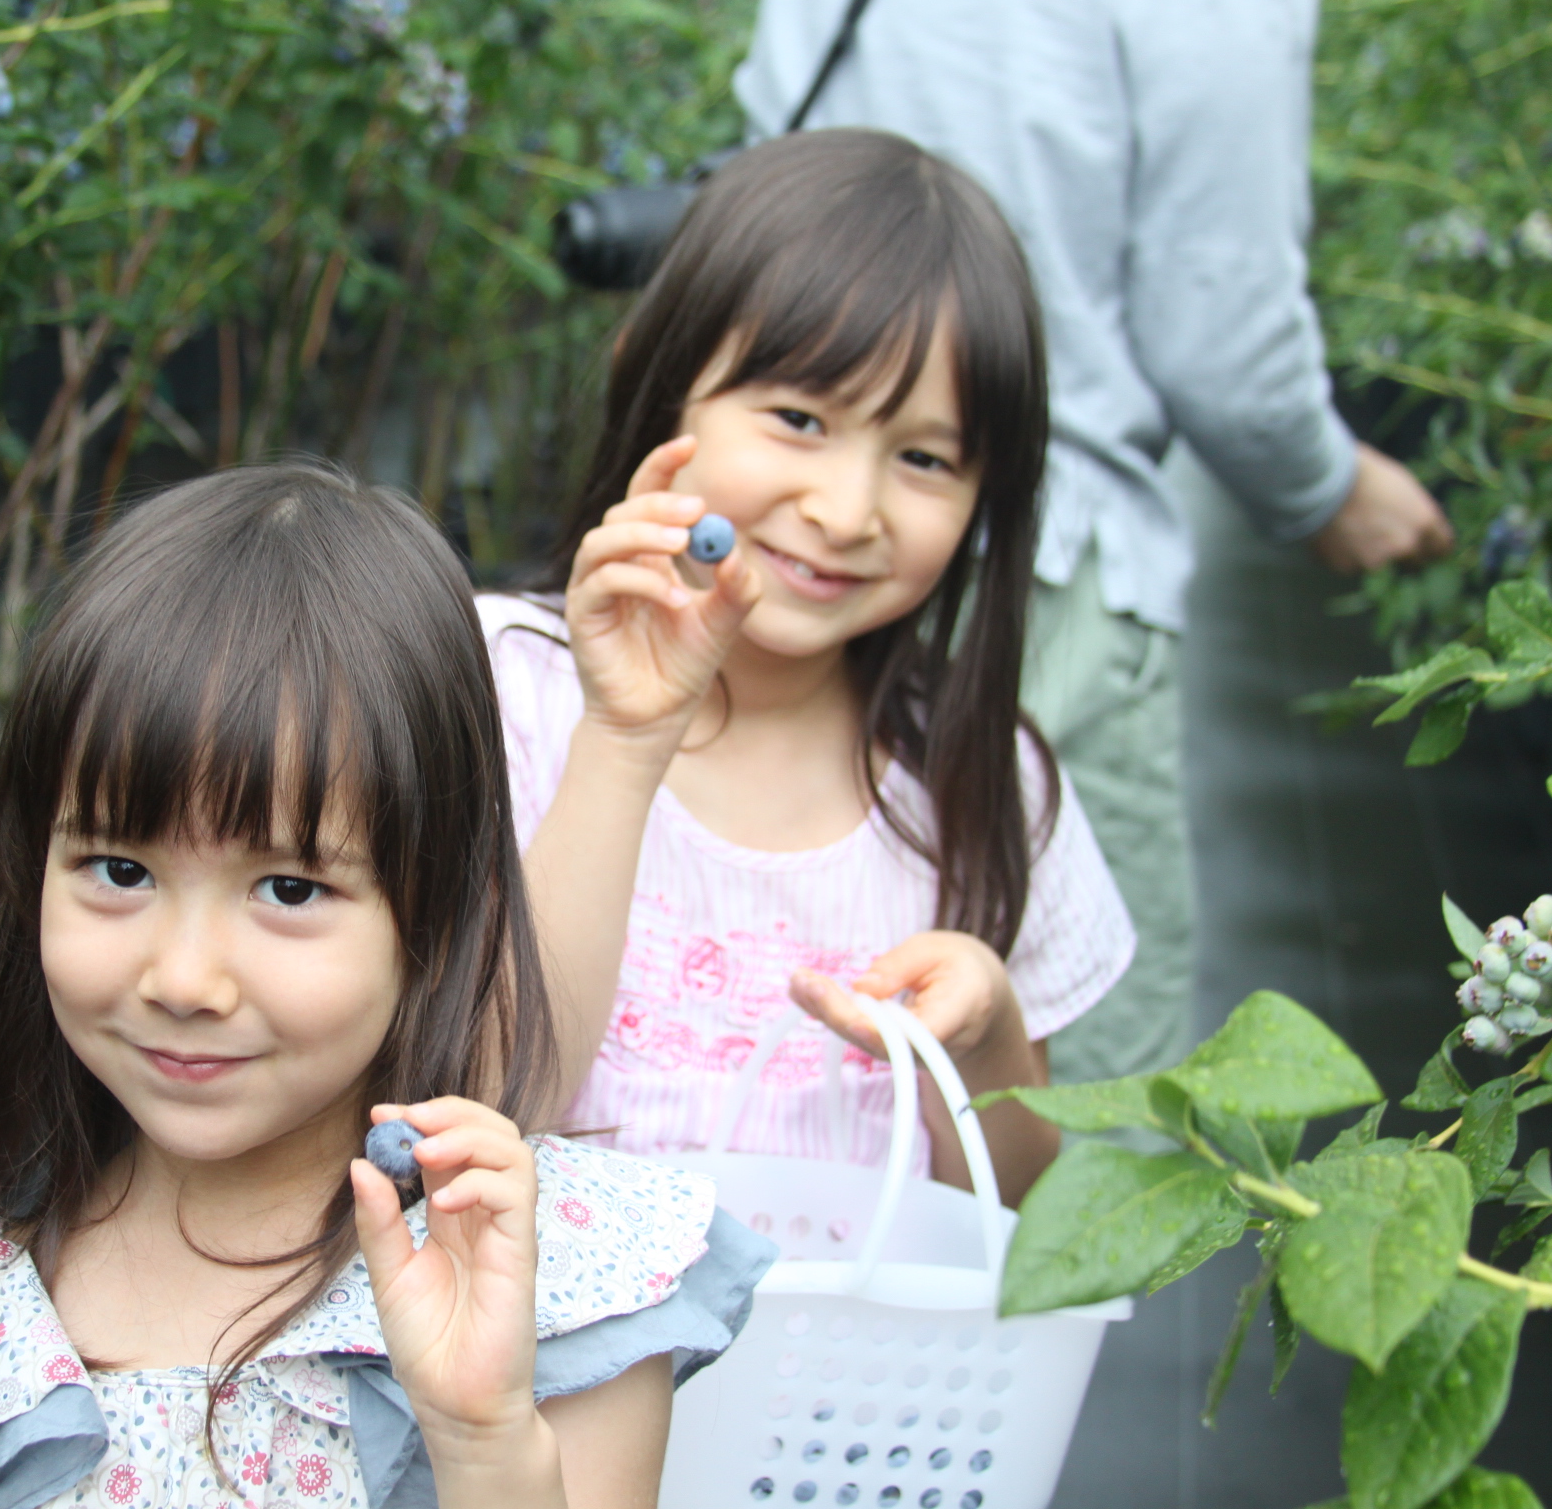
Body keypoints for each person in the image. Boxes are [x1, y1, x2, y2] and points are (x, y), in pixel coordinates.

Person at [0, 465, 772, 1509]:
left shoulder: (543, 1278)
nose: (184, 977)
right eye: (120, 870)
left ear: (437, 909)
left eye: (289, 886)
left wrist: (483, 1434)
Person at [732, 0, 1455, 1084]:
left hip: (769, 535)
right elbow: (1222, 327)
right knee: (1084, 1068)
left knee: (775, 985)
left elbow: (770, 167)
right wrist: (1329, 487)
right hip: (1041, 564)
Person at [486, 132, 1135, 1206]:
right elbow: (491, 1092)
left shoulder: (983, 783)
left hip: (841, 1372)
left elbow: (1011, 1200)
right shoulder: (496, 687)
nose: (845, 510)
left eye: (924, 457)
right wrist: (623, 735)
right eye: (798, 418)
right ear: (659, 385)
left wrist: (986, 1035)